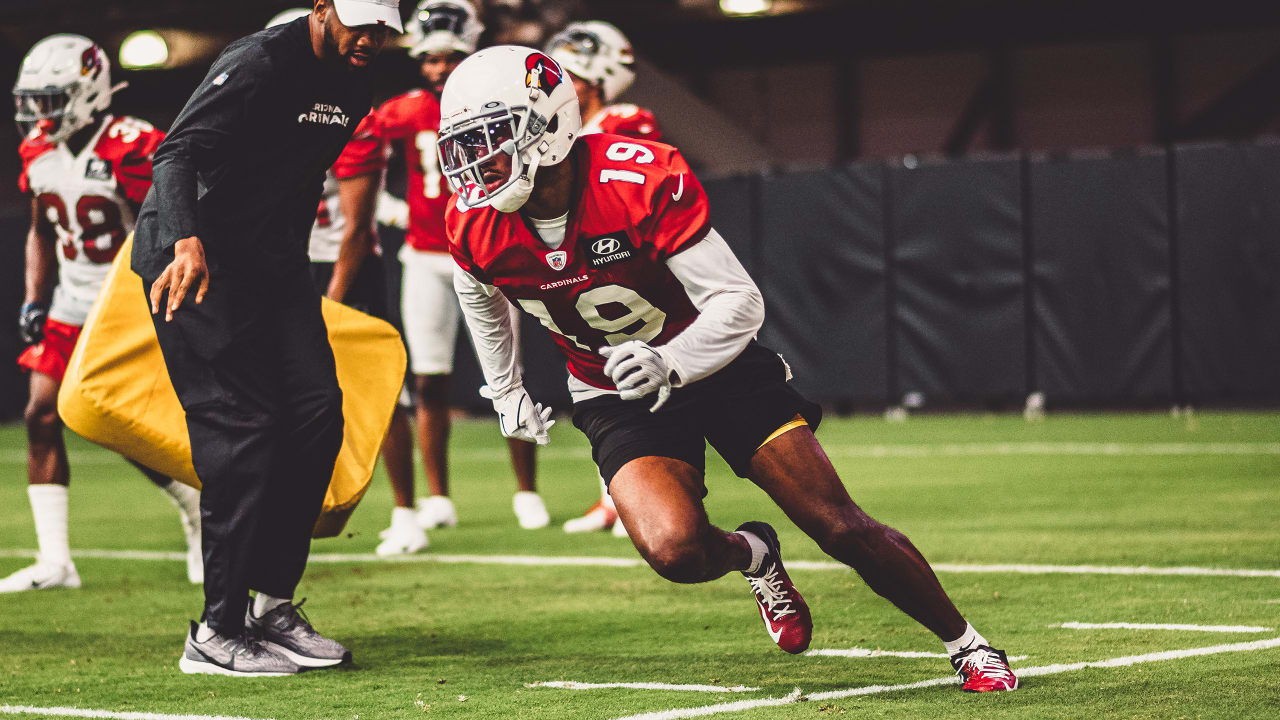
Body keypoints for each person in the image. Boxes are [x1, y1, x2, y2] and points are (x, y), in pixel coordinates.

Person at [439, 46, 1019, 692]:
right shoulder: (474, 222)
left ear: (547, 126)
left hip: (714, 362)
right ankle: (756, 554)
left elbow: (739, 304)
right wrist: (506, 386)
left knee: (837, 524)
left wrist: (671, 361)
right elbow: (478, 293)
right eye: (464, 147)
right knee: (675, 551)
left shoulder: (636, 177)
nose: (475, 164)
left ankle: (967, 645)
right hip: (614, 388)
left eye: (491, 140)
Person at [130, 0, 400, 676]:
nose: (371, 38)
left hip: (270, 267)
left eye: (383, 27)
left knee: (315, 415)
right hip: (192, 261)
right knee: (243, 428)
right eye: (360, 23)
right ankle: (215, 633)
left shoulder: (354, 81)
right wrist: (185, 240)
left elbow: (294, 177)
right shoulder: (258, 62)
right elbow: (177, 152)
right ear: (322, 9)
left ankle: (271, 609)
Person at [1, 34, 203, 594]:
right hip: (71, 302)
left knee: (118, 425)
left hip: (124, 304)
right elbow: (41, 230)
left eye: (52, 98)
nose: (38, 114)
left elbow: (169, 221)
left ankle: (194, 509)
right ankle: (56, 561)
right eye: (34, 100)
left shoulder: (132, 145)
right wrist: (34, 298)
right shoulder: (39, 150)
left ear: (88, 93)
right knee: (41, 414)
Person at [370, 0, 548, 531]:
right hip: (425, 256)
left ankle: (527, 490)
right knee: (428, 381)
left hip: (488, 253)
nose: (439, 68)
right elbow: (353, 164)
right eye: (429, 60)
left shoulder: (494, 103)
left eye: (448, 57)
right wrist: (390, 210)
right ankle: (440, 497)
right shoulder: (400, 111)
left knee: (510, 374)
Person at [266, 8, 430, 557]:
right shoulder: (265, 108)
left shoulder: (350, 114)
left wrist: (332, 301)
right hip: (285, 264)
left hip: (341, 263)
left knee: (379, 391)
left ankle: (407, 511)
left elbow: (357, 230)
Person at [544, 20, 663, 536]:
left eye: (572, 73)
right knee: (599, 382)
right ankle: (614, 494)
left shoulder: (624, 119)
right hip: (582, 270)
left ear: (599, 78)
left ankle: (648, 495)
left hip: (629, 264)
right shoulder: (560, 133)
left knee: (638, 380)